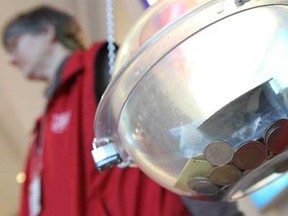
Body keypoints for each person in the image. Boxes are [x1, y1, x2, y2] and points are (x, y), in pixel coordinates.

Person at [2, 4, 243, 216]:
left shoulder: (98, 67)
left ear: (46, 31)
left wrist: (217, 210)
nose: (11, 60)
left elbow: (175, 138)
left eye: (14, 45)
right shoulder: (45, 123)